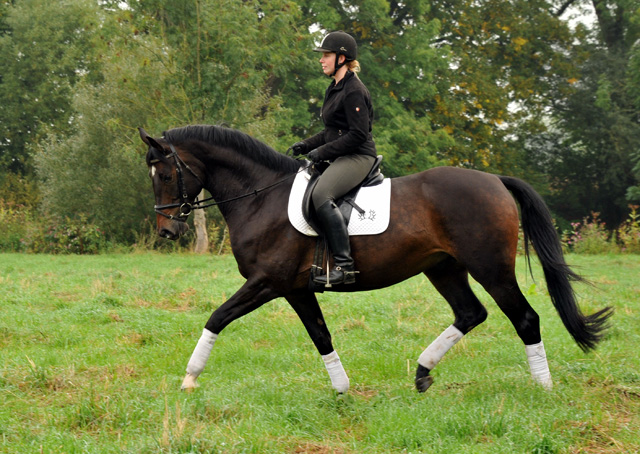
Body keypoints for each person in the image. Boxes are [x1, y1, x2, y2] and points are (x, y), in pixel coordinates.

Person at [290, 31, 377, 286]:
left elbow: (358, 135)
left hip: (358, 156)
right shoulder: (335, 87)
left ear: (341, 58)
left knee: (321, 195)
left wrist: (323, 152)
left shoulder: (354, 90)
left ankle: (344, 266)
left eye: (326, 55)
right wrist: (306, 144)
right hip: (342, 154)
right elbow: (332, 131)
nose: (321, 60)